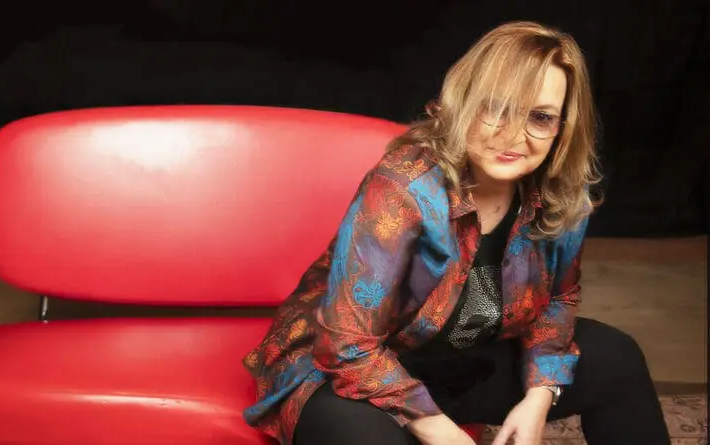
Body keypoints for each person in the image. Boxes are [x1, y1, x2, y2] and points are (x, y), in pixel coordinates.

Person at [241, 21, 671, 445]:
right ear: (465, 103)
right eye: (497, 109)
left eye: (540, 117)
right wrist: (441, 432)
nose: (514, 136)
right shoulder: (403, 189)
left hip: (459, 361)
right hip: (347, 370)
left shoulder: (563, 194)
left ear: (562, 127)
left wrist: (540, 396)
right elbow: (345, 345)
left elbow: (559, 299)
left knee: (616, 356)